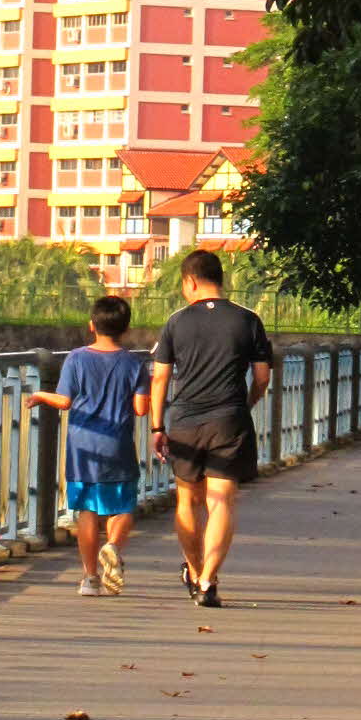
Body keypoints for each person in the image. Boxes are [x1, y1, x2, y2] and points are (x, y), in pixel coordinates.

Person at [149, 249, 273, 609]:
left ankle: (194, 567)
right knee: (222, 501)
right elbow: (263, 376)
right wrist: (247, 403)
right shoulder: (248, 320)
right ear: (220, 280)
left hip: (185, 422)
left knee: (187, 501)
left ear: (190, 281)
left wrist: (158, 426)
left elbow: (160, 378)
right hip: (229, 421)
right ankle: (207, 582)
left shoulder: (176, 322)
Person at [26, 294, 151, 596]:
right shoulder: (133, 363)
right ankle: (112, 546)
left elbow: (65, 401)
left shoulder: (77, 358)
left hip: (83, 447)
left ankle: (90, 578)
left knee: (87, 512)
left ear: (92, 325)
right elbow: (141, 409)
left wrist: (41, 396)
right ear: (126, 328)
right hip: (118, 444)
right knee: (123, 507)